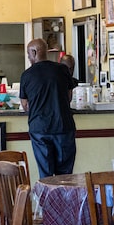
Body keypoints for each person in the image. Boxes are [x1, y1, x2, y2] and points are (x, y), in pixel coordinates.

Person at [19, 38, 78, 178]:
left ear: (34, 52)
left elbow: (25, 105)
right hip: (63, 126)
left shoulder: (26, 75)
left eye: (28, 54)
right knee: (65, 175)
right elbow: (69, 97)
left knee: (45, 174)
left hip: (40, 129)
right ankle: (63, 200)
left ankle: (47, 200)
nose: (28, 57)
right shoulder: (62, 70)